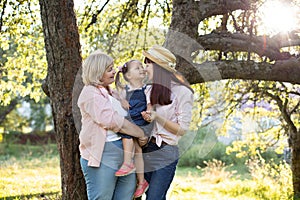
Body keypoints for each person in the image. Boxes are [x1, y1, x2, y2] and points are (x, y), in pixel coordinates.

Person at [77, 50, 145, 200]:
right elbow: (111, 121)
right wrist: (140, 133)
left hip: (124, 154)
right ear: (97, 72)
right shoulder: (89, 93)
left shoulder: (111, 92)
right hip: (103, 154)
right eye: (109, 69)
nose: (113, 72)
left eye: (113, 68)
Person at [139, 45, 194, 200]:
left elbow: (182, 129)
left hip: (167, 151)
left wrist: (157, 117)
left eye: (148, 64)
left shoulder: (183, 92)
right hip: (148, 149)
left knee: (154, 197)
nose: (145, 68)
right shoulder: (149, 90)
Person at [114, 59, 153, 198]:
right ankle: (142, 182)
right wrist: (121, 100)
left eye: (142, 67)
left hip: (141, 122)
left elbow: (150, 104)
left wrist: (148, 114)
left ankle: (126, 163)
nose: (142, 69)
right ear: (129, 76)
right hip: (132, 121)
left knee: (126, 134)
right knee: (138, 151)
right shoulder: (124, 90)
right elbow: (114, 93)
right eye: (137, 68)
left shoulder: (147, 89)